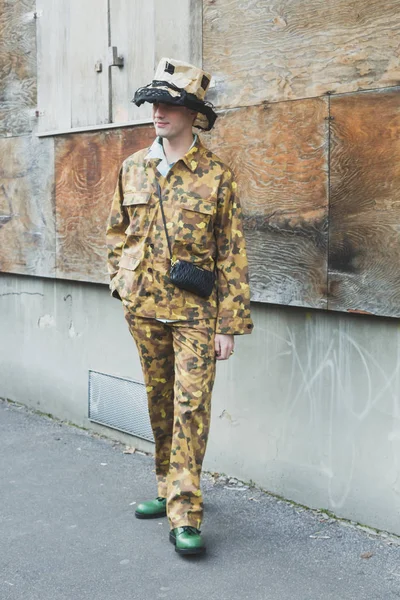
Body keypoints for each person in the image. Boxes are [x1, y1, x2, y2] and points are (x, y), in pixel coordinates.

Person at [106, 57, 253, 556]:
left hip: (196, 314)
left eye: (171, 104)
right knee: (160, 402)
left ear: (194, 114)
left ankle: (185, 513)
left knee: (192, 408)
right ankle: (167, 487)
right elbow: (115, 231)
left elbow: (231, 251)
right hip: (144, 308)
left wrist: (228, 323)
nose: (158, 112)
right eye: (154, 102)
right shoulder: (132, 167)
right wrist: (119, 282)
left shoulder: (217, 176)